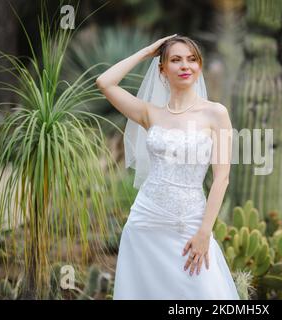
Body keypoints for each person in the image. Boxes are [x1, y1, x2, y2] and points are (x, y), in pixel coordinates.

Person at [95, 34, 239, 299]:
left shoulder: (215, 113)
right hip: (146, 221)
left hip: (190, 223)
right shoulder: (151, 113)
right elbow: (105, 82)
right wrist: (147, 51)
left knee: (204, 291)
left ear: (199, 66)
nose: (185, 66)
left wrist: (205, 232)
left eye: (191, 59)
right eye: (175, 60)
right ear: (162, 69)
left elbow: (222, 178)